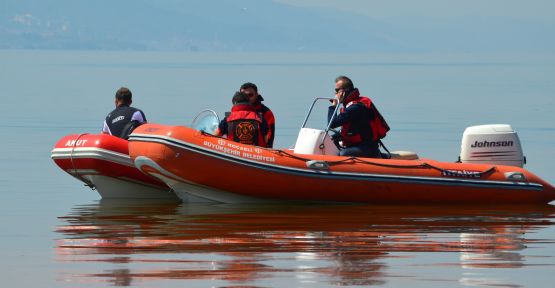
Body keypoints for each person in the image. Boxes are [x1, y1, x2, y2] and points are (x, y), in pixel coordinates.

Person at [328, 76, 390, 158]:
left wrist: (333, 107)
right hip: (356, 146)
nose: (335, 94)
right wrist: (332, 137)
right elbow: (349, 129)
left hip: (366, 148)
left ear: (344, 91)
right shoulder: (349, 106)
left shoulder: (355, 107)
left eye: (337, 90)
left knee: (343, 154)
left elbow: (332, 124)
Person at [239, 82, 276, 148]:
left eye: (250, 95)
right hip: (235, 148)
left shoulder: (266, 113)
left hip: (258, 151)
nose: (247, 98)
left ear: (256, 95)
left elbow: (269, 137)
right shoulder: (235, 112)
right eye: (243, 95)